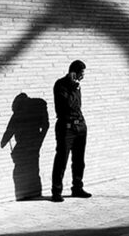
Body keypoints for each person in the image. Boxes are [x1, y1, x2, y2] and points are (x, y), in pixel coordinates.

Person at [50, 60, 92, 202]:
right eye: (81, 74)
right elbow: (69, 104)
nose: (82, 77)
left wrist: (76, 87)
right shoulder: (61, 85)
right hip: (66, 128)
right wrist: (74, 87)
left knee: (79, 160)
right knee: (62, 160)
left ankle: (77, 188)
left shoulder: (77, 86)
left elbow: (78, 106)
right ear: (73, 73)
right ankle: (56, 191)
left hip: (80, 126)